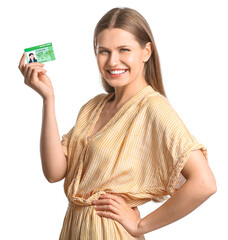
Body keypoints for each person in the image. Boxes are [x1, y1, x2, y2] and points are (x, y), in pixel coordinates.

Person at [18, 7, 217, 240]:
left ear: (146, 51)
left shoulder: (153, 107)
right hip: (74, 229)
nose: (113, 61)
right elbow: (54, 172)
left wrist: (141, 225)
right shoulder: (94, 106)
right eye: (104, 51)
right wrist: (48, 99)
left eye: (124, 50)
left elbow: (205, 183)